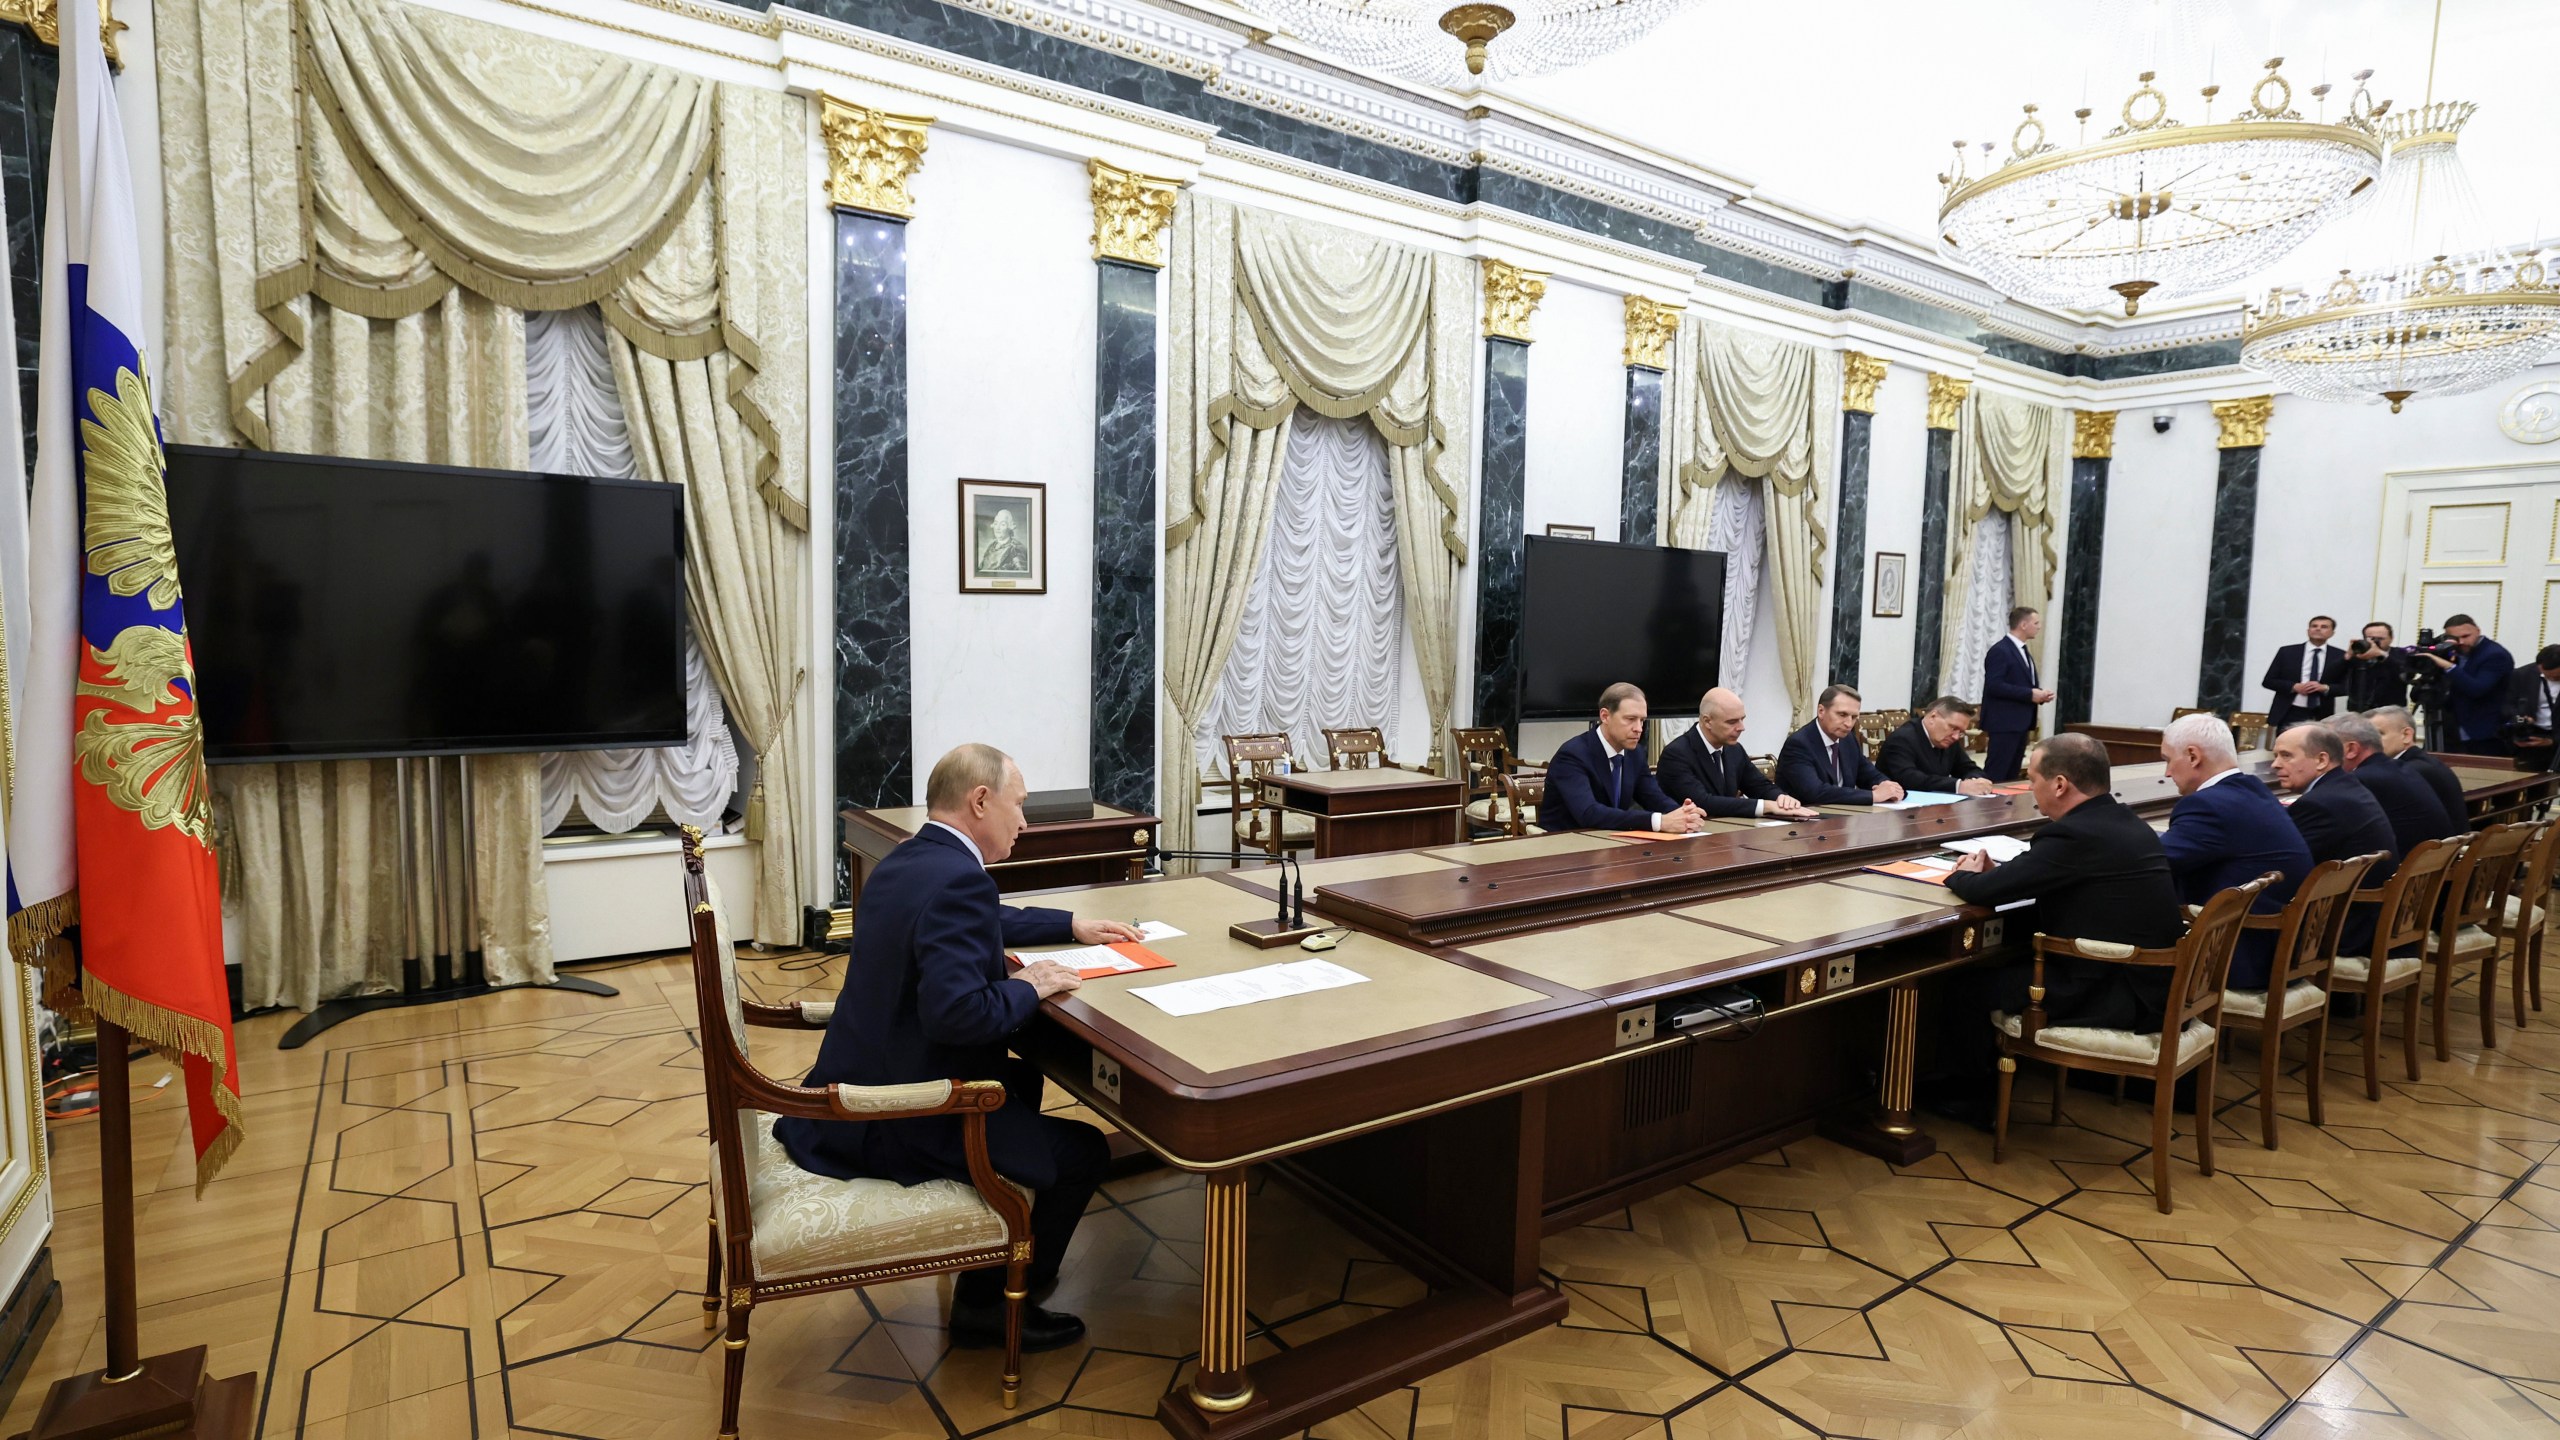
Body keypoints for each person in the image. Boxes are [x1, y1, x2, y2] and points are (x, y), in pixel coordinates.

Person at [775, 744, 1143, 1352]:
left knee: (1022, 1083)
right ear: (980, 800)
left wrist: (1068, 925)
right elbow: (957, 1015)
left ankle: (994, 1272)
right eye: (1018, 806)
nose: (1023, 822)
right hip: (897, 1113)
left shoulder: (909, 861)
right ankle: (994, 1307)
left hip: (853, 1082)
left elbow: (982, 919)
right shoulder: (957, 882)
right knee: (1081, 1153)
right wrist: (1027, 985)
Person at [1945, 733, 2186, 1033]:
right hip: (2151, 984)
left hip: (2110, 992)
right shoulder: (2125, 821)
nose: (2031, 790)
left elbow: (1981, 890)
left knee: (1959, 987)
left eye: (2033, 781)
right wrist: (2000, 876)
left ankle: (1962, 1079)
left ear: (2059, 784)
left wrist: (1961, 873)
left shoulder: (2075, 835)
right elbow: (2044, 874)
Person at [2156, 712, 2311, 990]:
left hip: (2239, 957)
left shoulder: (2209, 805)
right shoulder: (2253, 790)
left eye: (2168, 760)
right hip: (2278, 952)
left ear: (2193, 756)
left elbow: (2153, 865)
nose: (2167, 772)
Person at [2269, 723, 2399, 958]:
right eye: (2276, 755)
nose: (2275, 764)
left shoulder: (2320, 803)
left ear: (2321, 760)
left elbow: (2286, 869)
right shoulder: (2345, 786)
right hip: (2366, 919)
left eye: (2286, 756)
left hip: (2343, 932)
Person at [1542, 683, 1710, 833]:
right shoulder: (1573, 754)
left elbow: (1654, 797)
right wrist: (1659, 821)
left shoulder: (1634, 753)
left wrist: (1683, 815)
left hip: (1612, 843)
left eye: (1642, 720)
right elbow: (1588, 813)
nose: (1639, 729)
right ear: (1605, 716)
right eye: (1630, 719)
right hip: (1567, 846)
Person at [1657, 687, 1818, 819]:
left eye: (1742, 719)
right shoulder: (1676, 754)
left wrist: (1781, 799)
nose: (1742, 727)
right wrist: (1766, 806)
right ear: (1707, 721)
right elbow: (1703, 802)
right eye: (1732, 722)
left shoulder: (1734, 749)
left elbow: (1759, 786)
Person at [2334, 711, 2464, 850]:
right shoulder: (2405, 765)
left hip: (2429, 859)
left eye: (2379, 734)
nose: (2373, 741)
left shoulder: (2409, 769)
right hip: (2441, 856)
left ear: (2406, 735)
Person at [1777, 685, 1908, 807]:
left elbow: (1868, 774)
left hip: (1841, 817)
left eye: (1854, 717)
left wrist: (1888, 786)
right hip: (1803, 821)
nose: (1849, 723)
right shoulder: (1799, 744)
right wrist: (1873, 796)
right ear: (1821, 711)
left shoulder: (1848, 739)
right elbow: (1815, 792)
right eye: (1842, 715)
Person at [2415, 614, 2516, 757]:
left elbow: (2477, 689)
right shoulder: (2450, 651)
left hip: (2484, 733)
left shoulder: (2494, 654)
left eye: (2466, 636)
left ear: (2478, 631)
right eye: (2456, 638)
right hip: (2451, 730)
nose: (2461, 642)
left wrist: (2448, 666)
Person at [1980, 607, 2053, 783]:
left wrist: (2039, 695)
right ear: (2023, 624)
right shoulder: (2001, 650)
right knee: (1998, 772)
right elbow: (1994, 686)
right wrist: (2029, 694)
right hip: (2004, 723)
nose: (2039, 627)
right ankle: (1988, 807)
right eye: (2036, 623)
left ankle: (2007, 809)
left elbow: (2021, 682)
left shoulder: (2022, 650)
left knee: (2011, 776)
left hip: (2020, 722)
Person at [2369, 704, 2469, 828]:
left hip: (2433, 846)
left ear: (2406, 735)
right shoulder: (2426, 763)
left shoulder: (2408, 772)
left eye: (2378, 734)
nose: (2370, 743)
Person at [1877, 696, 1998, 797]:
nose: (1956, 736)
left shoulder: (1948, 739)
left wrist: (1975, 781)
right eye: (1953, 728)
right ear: (1933, 717)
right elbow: (1910, 779)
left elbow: (1968, 768)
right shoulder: (1902, 739)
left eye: (1960, 732)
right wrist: (1958, 786)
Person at [2261, 615, 2346, 730]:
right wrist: (2294, 686)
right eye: (2314, 626)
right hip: (2290, 710)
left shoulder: (2339, 655)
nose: (2318, 629)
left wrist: (2324, 688)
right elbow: (2268, 681)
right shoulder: (2287, 652)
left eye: (2324, 627)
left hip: (2321, 711)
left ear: (2332, 633)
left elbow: (2346, 687)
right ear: (2308, 630)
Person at [2506, 643, 2560, 774]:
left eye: (2555, 677)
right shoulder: (2522, 674)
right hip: (2533, 736)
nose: (2550, 679)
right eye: (2545, 675)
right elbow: (2507, 704)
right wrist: (2519, 718)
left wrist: (2552, 741)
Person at [2341, 620, 2410, 713]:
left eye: (2380, 639)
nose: (2376, 642)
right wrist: (2348, 656)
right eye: (2371, 638)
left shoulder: (2401, 654)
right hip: (2358, 710)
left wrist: (2382, 655)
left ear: (2391, 638)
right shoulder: (2357, 655)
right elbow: (2330, 675)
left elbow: (2406, 675)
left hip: (2392, 712)